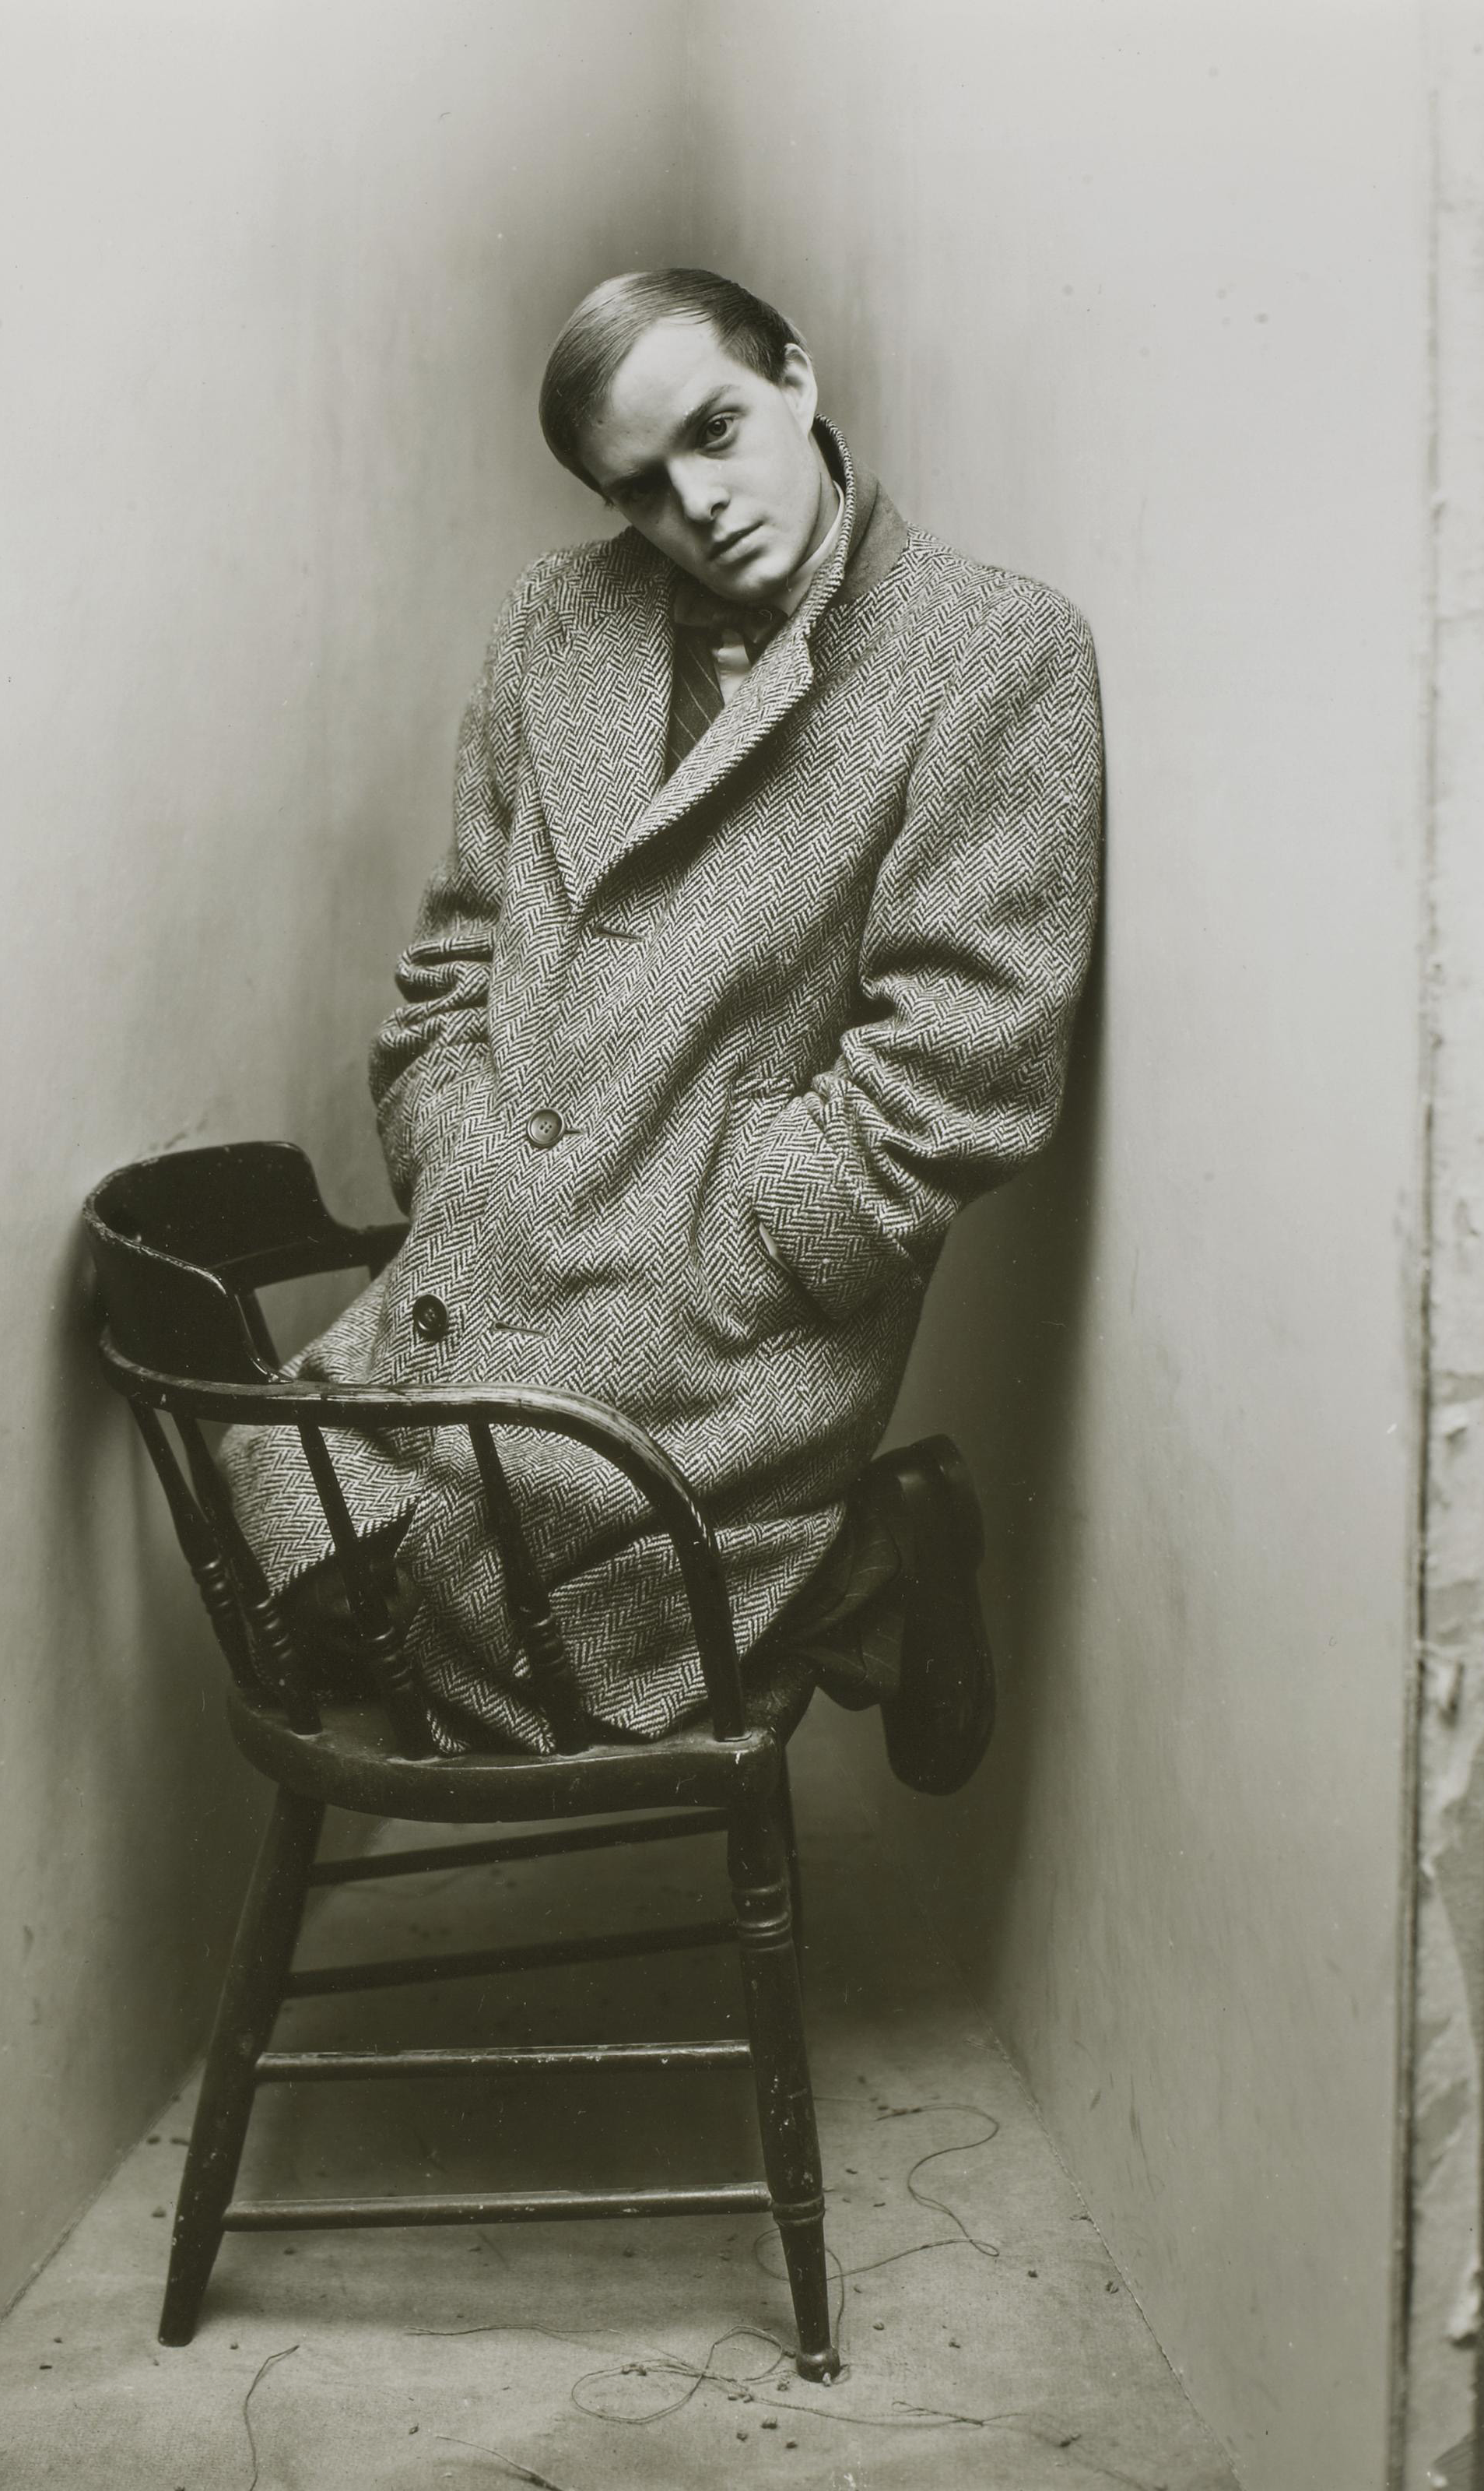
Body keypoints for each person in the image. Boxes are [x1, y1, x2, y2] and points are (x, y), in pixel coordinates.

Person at [223, 268, 1103, 1759]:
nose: (695, 506)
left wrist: (750, 1243)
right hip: (498, 1248)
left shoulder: (990, 648)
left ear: (795, 380)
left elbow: (964, 1056)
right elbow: (458, 947)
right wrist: (463, 1153)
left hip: (721, 1319)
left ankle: (868, 1564)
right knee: (296, 1551)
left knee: (551, 1665)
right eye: (639, 488)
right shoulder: (553, 619)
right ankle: (855, 1582)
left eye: (716, 430)